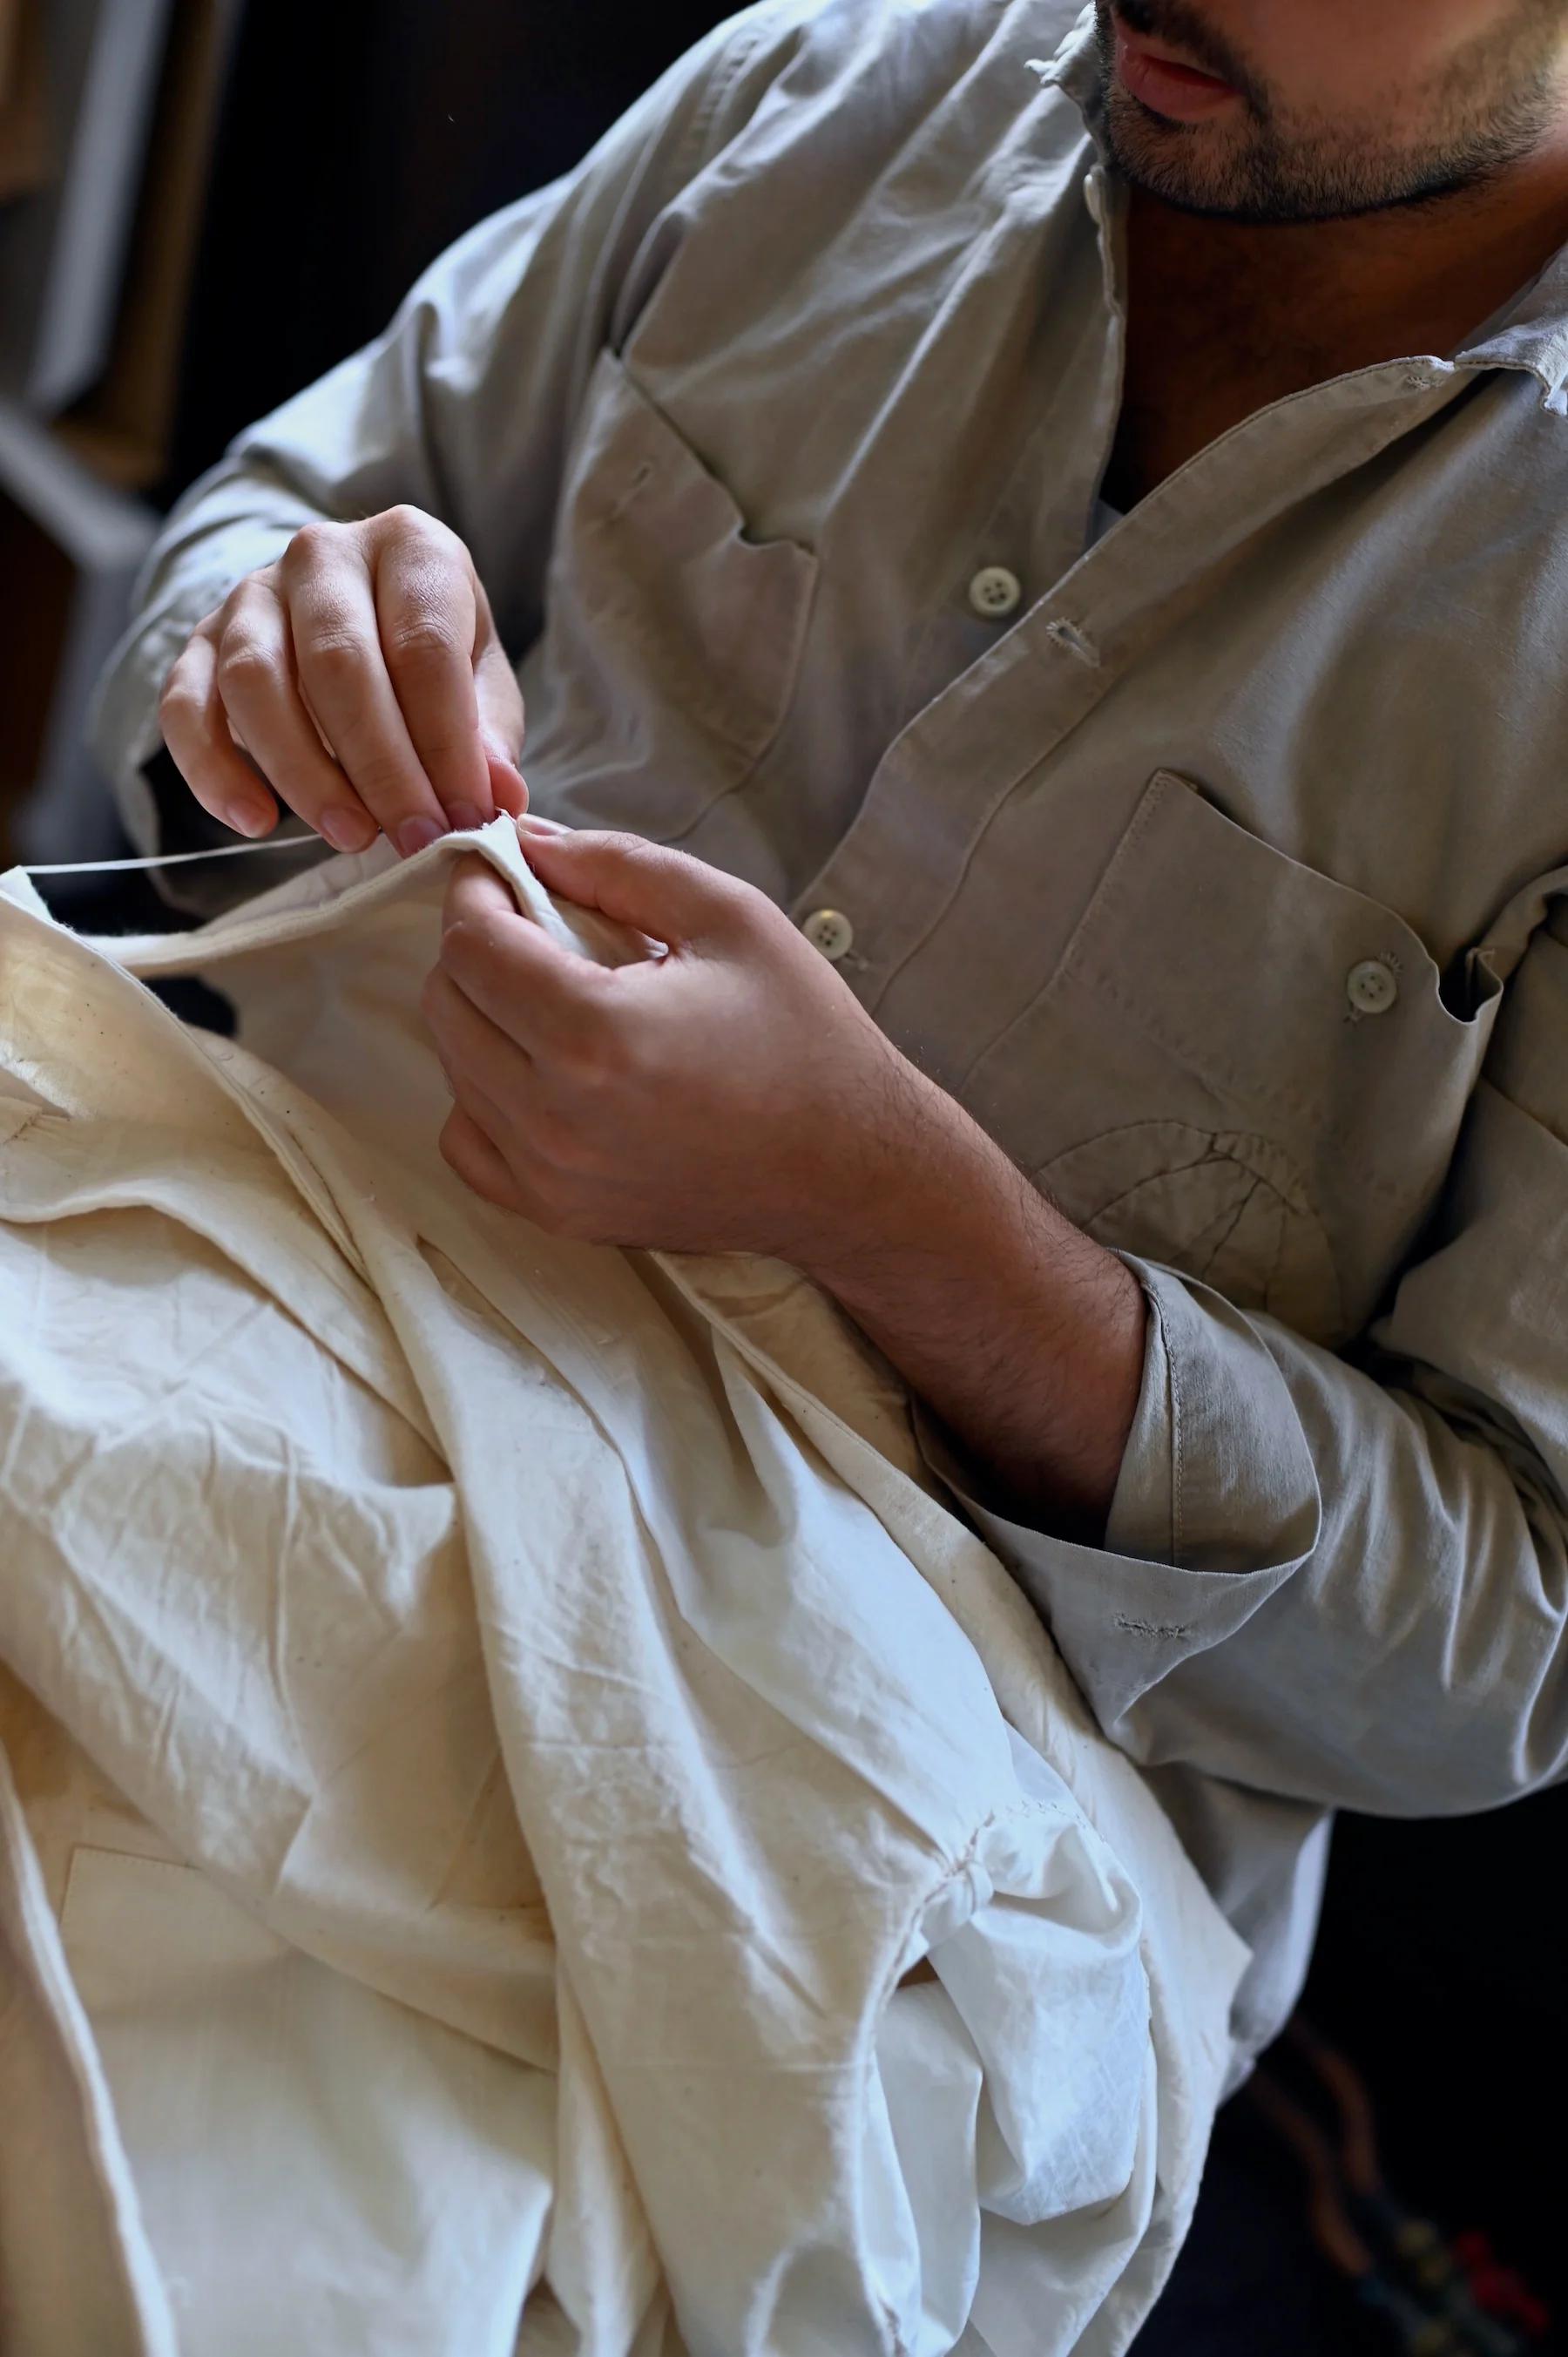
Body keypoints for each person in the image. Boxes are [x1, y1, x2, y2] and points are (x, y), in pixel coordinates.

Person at [94, 0, 1568, 2062]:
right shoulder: (830, 84)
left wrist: (884, 1211)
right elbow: (269, 524)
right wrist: (283, 647)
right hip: (260, 1353)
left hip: (898, 1882)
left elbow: (1504, 1646)